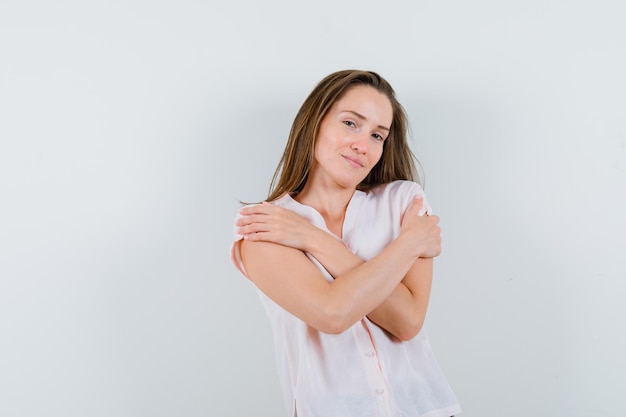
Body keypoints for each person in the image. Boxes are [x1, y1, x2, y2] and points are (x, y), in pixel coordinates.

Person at [230, 69, 461, 417]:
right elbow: (333, 313)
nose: (362, 145)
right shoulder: (265, 227)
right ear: (315, 122)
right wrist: (410, 243)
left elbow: (408, 321)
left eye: (377, 135)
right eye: (351, 123)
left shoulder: (404, 202)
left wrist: (312, 239)